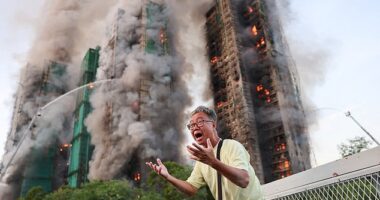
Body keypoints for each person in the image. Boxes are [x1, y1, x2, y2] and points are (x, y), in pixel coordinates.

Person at [146, 106, 263, 200]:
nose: (194, 127)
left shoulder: (232, 146)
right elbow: (191, 188)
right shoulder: (202, 161)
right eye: (191, 125)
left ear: (213, 125)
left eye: (200, 122)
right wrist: (168, 177)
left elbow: (244, 180)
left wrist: (213, 162)